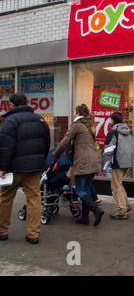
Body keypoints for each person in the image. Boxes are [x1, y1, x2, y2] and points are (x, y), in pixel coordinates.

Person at [0, 93, 50, 244]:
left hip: (14, 168)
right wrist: (41, 163)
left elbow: (5, 147)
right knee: (34, 198)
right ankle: (33, 234)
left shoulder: (10, 121)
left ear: (12, 105)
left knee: (6, 198)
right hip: (34, 168)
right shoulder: (40, 120)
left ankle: (2, 231)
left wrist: (2, 167)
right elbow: (46, 144)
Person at [53, 104, 104, 226]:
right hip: (93, 160)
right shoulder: (88, 125)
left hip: (83, 161)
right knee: (86, 189)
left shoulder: (76, 126)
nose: (73, 114)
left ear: (77, 114)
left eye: (74, 113)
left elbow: (65, 141)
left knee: (80, 190)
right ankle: (85, 218)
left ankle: (97, 211)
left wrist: (56, 154)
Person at [102, 111, 133, 220]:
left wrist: (104, 164)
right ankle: (126, 205)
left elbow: (108, 149)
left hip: (117, 161)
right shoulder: (128, 131)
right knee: (119, 184)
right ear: (123, 120)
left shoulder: (113, 132)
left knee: (115, 187)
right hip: (127, 161)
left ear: (112, 121)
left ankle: (122, 210)